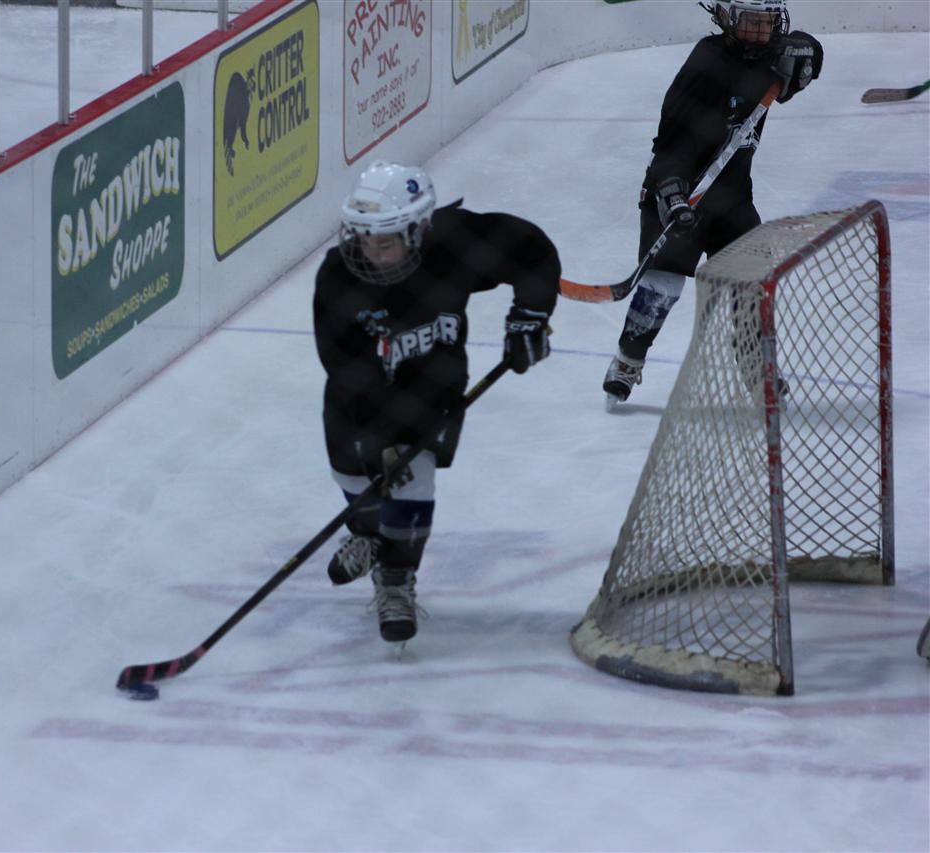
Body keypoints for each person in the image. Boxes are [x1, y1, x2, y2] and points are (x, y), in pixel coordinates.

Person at [313, 161, 560, 643]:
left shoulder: (455, 244)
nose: (371, 252)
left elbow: (531, 251)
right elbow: (343, 367)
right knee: (353, 475)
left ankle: (395, 577)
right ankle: (366, 532)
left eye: (386, 242)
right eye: (364, 238)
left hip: (431, 390)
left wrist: (528, 318)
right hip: (359, 397)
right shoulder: (338, 277)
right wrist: (377, 444)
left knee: (413, 485)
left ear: (419, 230)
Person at [603, 0, 823, 405]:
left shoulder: (771, 56)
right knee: (663, 283)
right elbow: (669, 145)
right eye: (751, 22)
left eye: (768, 22)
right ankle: (628, 359)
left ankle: (756, 369)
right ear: (726, 18)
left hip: (732, 196)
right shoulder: (705, 64)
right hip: (678, 190)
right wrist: (672, 195)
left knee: (752, 281)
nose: (761, 32)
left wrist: (807, 50)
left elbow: (805, 54)